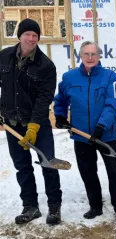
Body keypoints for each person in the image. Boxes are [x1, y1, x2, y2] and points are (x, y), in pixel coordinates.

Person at [53, 41, 116, 223]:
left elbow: (114, 102)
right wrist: (60, 116)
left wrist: (102, 125)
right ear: (80, 56)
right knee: (88, 172)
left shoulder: (110, 77)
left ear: (99, 56)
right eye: (86, 54)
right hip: (81, 136)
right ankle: (95, 206)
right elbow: (61, 99)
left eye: (93, 54)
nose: (90, 57)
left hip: (106, 135)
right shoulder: (69, 77)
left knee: (114, 172)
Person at [0, 18, 62, 225]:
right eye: (27, 34)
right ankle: (30, 206)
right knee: (23, 167)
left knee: (48, 164)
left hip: (38, 125)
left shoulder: (46, 66)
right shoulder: (4, 57)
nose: (31, 38)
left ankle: (54, 207)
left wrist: (34, 126)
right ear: (20, 36)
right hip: (12, 124)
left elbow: (44, 99)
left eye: (35, 35)